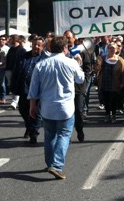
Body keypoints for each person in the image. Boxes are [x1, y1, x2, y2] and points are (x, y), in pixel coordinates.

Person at [28, 36, 84, 179]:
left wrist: (32, 106)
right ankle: (57, 165)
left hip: (47, 107)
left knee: (49, 136)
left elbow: (33, 88)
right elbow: (80, 79)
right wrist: (78, 64)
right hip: (65, 107)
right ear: (65, 48)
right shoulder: (71, 62)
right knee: (64, 135)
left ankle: (49, 163)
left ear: (50, 48)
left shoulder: (41, 64)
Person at [12, 36, 49, 144]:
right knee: (23, 110)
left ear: (43, 46)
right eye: (34, 44)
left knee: (36, 113)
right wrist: (13, 86)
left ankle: (33, 133)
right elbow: (16, 71)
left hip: (38, 91)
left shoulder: (45, 59)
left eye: (39, 45)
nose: (36, 47)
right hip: (24, 89)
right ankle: (29, 126)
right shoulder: (24, 56)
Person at [64, 30, 93, 142]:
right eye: (65, 37)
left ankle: (79, 130)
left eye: (69, 37)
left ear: (74, 38)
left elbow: (88, 69)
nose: (67, 39)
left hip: (78, 88)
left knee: (79, 111)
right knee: (66, 112)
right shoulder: (63, 52)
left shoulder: (81, 51)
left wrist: (84, 83)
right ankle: (67, 134)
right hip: (65, 88)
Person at [97, 43, 124, 123]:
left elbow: (123, 73)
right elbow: (97, 70)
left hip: (115, 83)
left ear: (116, 49)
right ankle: (107, 114)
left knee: (114, 100)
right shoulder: (103, 58)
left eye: (113, 48)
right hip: (105, 82)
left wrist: (122, 83)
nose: (111, 49)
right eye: (110, 48)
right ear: (108, 49)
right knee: (106, 100)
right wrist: (98, 66)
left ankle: (113, 115)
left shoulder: (120, 60)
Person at [0, 35, 10, 104]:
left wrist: (3, 63)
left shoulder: (7, 48)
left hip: (3, 67)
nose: (1, 41)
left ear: (6, 41)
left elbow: (8, 58)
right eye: (0, 39)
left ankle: (3, 98)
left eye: (3, 39)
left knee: (1, 83)